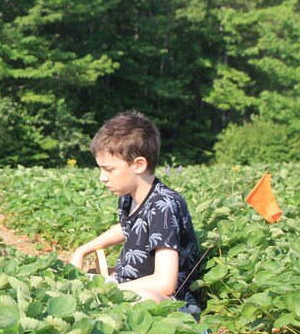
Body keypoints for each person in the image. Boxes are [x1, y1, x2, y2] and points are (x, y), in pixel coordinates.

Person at [68, 112, 201, 315]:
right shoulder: (129, 196)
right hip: (125, 285)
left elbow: (165, 283)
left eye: (109, 169)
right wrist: (84, 249)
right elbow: (127, 227)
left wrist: (108, 292)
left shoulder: (163, 205)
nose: (102, 178)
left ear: (138, 164)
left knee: (143, 299)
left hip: (169, 301)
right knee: (63, 279)